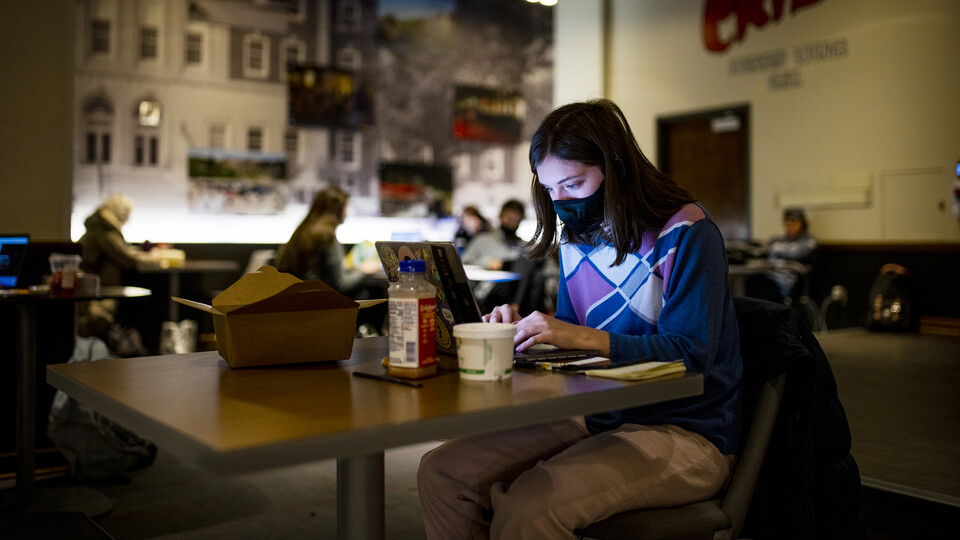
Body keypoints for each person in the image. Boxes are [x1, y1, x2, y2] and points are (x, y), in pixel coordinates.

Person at [418, 99, 743, 538]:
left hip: (688, 430)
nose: (560, 202)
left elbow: (692, 357)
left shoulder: (687, 233)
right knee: (443, 471)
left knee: (532, 505)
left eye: (572, 184)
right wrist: (526, 330)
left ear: (616, 167)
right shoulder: (577, 242)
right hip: (600, 412)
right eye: (550, 190)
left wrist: (574, 335)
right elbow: (574, 345)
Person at [77, 194, 151, 354]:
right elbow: (127, 258)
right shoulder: (105, 232)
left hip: (91, 293)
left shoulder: (97, 228)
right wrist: (154, 257)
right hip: (98, 297)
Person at [275, 185, 379, 297]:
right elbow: (341, 286)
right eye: (345, 208)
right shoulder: (327, 236)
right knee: (372, 293)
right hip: (320, 304)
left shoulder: (301, 232)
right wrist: (364, 271)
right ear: (338, 210)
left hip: (297, 300)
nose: (347, 214)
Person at [460, 199, 538, 313]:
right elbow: (464, 262)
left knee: (533, 270)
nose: (512, 224)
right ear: (501, 216)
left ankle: (518, 308)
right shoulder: (483, 240)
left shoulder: (524, 246)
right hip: (489, 288)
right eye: (509, 219)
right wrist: (487, 263)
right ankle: (516, 307)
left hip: (516, 289)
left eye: (516, 220)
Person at [746, 207, 818, 302]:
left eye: (794, 221)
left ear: (802, 223)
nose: (790, 224)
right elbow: (760, 250)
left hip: (783, 283)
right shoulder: (777, 240)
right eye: (787, 221)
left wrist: (774, 249)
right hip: (765, 275)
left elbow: (794, 253)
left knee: (761, 294)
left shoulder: (808, 242)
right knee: (746, 285)